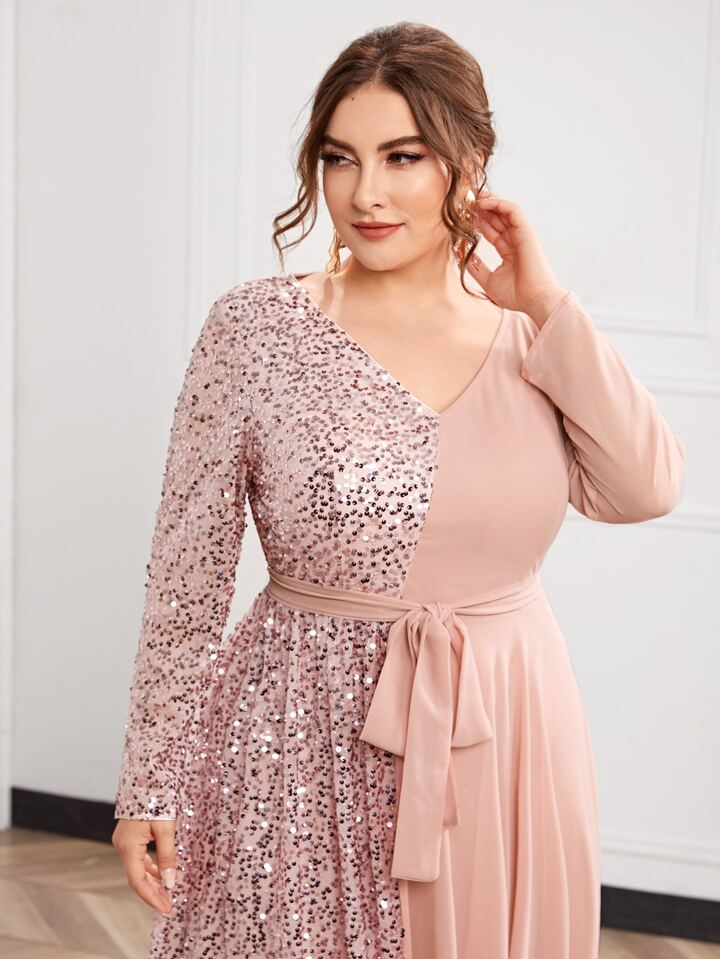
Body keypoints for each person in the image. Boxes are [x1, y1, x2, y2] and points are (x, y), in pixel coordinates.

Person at [111, 21, 685, 959]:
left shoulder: (531, 336)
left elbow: (646, 486)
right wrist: (152, 779)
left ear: (470, 163)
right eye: (340, 158)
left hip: (509, 729)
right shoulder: (255, 330)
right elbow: (186, 584)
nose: (365, 193)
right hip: (302, 734)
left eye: (403, 157)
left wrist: (546, 301)